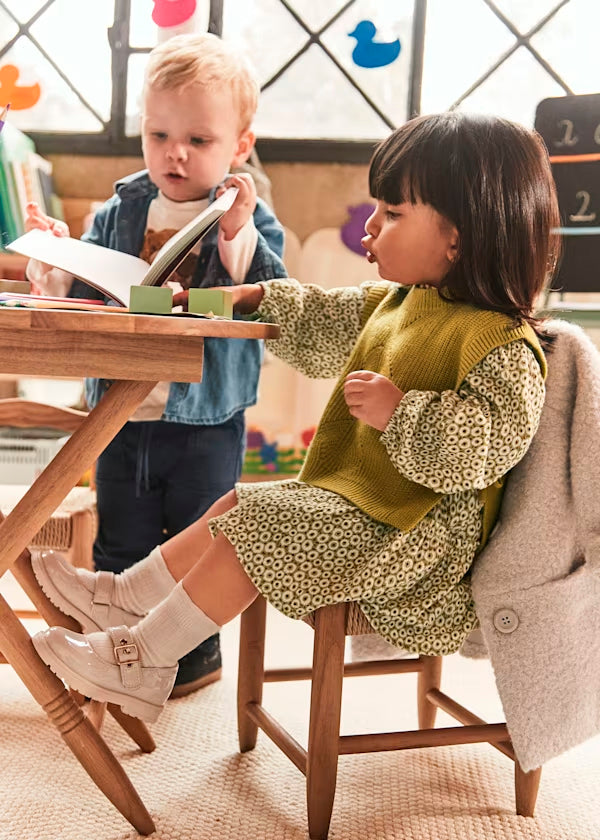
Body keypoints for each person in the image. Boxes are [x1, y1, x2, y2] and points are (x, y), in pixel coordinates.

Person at [31, 111, 561, 724]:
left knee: (260, 521)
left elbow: (486, 448)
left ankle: (146, 657)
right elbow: (322, 315)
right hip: (366, 514)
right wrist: (252, 295)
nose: (371, 228)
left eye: (392, 214)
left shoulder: (503, 344)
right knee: (238, 504)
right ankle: (126, 598)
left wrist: (402, 412)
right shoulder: (404, 302)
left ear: (458, 238)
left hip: (418, 540)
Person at [24, 33, 287, 697]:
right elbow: (86, 293)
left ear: (239, 146)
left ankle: (192, 659)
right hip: (121, 407)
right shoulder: (120, 209)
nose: (175, 153)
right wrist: (53, 265)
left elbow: (267, 299)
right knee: (123, 530)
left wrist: (233, 238)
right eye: (159, 134)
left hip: (205, 413)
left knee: (198, 533)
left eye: (198, 140)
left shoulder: (246, 217)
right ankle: (116, 654)